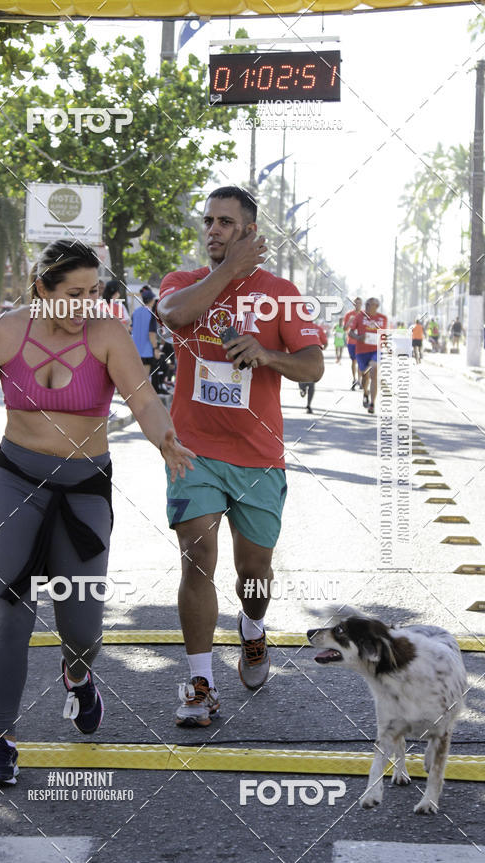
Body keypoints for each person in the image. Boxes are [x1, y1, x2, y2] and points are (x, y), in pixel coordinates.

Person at [0, 239, 194, 786]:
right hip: (19, 483)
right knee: (12, 614)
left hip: (85, 490)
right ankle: (2, 739)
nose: (87, 303)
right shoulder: (7, 330)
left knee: (81, 624)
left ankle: (78, 675)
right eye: (74, 294)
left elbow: (144, 401)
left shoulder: (106, 333)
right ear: (43, 289)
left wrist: (166, 442)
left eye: (94, 292)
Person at [157, 185, 324, 726]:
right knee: (197, 556)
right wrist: (228, 270)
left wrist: (267, 354)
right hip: (194, 451)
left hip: (257, 457)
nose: (213, 230)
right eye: (209, 221)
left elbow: (313, 366)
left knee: (254, 571)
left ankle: (252, 630)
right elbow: (174, 313)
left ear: (251, 231)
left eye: (226, 222)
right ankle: (199, 684)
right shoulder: (187, 282)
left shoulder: (281, 292)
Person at [348, 297, 388, 414]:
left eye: (369, 304)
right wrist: (358, 337)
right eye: (366, 304)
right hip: (361, 351)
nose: (366, 306)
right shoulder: (359, 317)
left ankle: (372, 404)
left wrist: (387, 346)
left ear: (376, 306)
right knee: (365, 376)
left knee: (374, 371)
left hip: (376, 350)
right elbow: (350, 332)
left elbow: (384, 334)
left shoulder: (382, 318)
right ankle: (365, 392)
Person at [131, 286, 160, 378]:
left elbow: (130, 328)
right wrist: (156, 348)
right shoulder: (151, 314)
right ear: (151, 300)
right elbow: (151, 334)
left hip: (135, 349)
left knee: (135, 376)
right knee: (144, 378)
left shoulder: (135, 312)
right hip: (146, 351)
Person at [299, 322, 328, 414]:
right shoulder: (299, 327)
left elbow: (325, 342)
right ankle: (302, 388)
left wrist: (320, 350)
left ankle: (308, 405)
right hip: (302, 357)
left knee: (311, 383)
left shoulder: (318, 329)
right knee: (301, 378)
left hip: (313, 359)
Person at [343, 297, 362, 389]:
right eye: (356, 303)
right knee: (354, 361)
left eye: (359, 303)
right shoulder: (349, 315)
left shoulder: (364, 315)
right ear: (353, 304)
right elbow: (344, 329)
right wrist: (350, 321)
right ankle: (354, 379)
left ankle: (360, 380)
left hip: (361, 342)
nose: (357, 305)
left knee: (360, 361)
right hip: (351, 342)